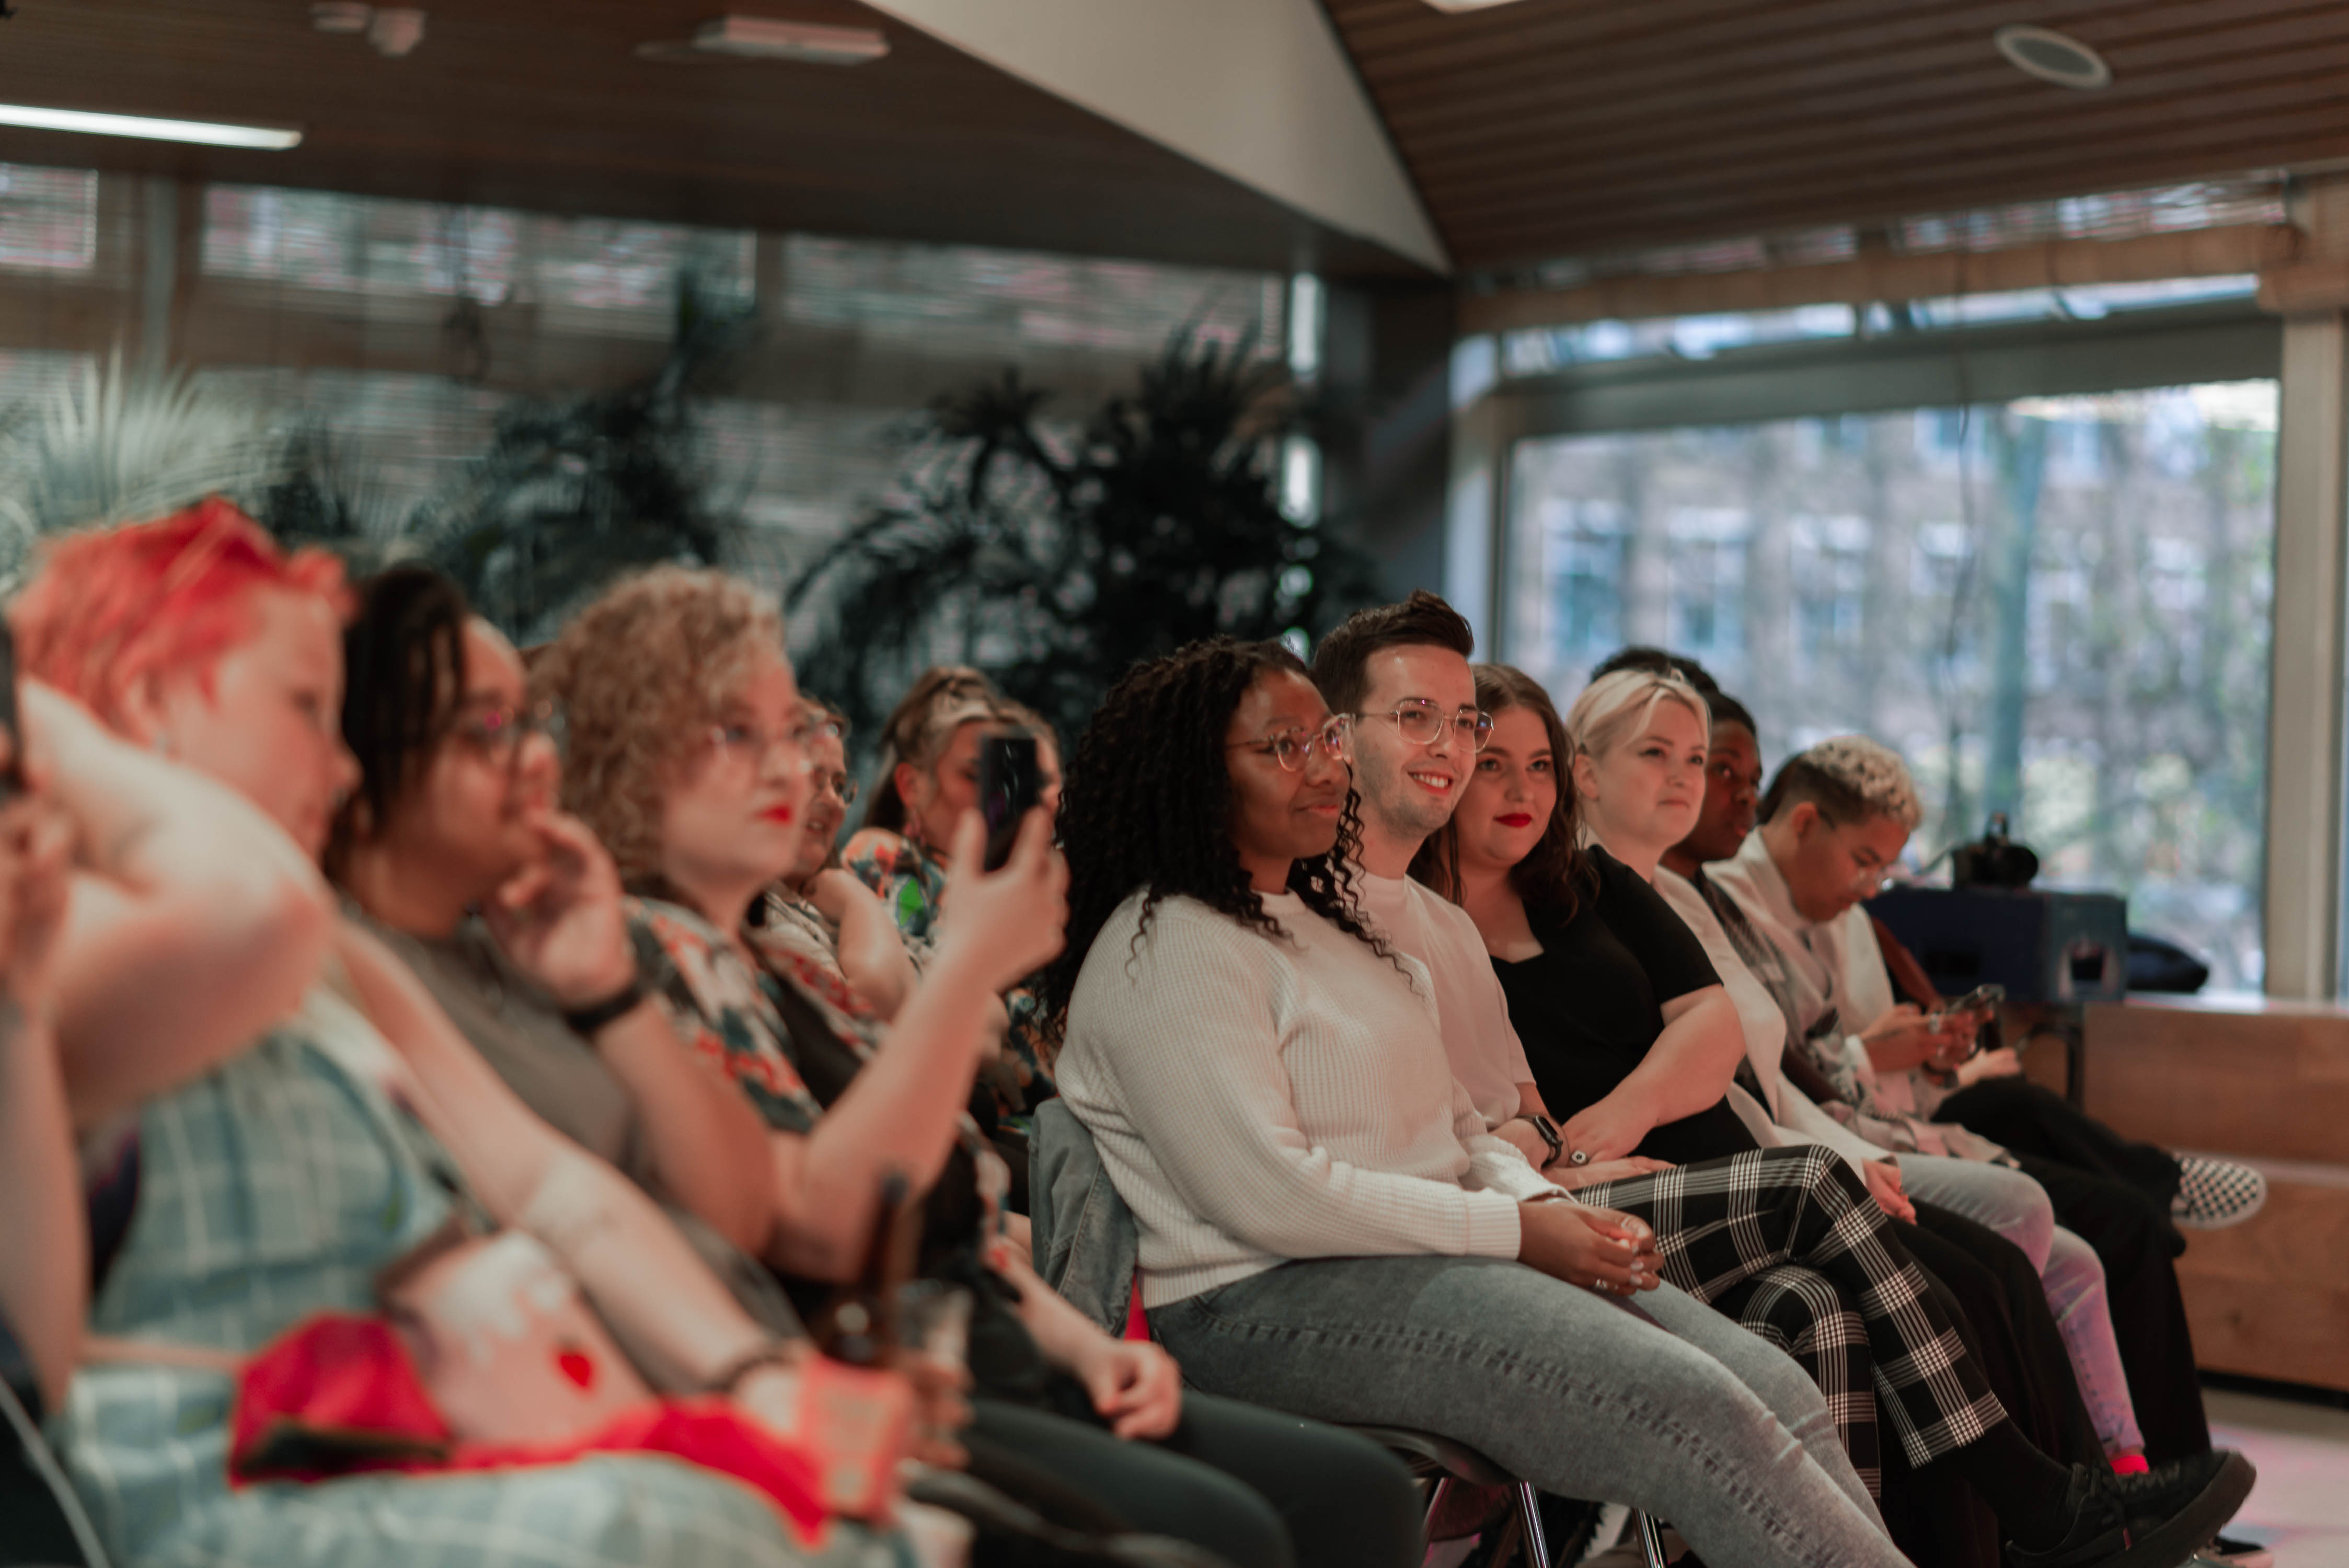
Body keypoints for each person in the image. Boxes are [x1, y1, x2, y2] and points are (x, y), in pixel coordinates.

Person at [19, 504, 918, 1568]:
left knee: (862, 1528)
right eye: (310, 708)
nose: (345, 765)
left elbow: (554, 1192)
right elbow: (252, 910)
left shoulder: (334, 969)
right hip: (248, 1497)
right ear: (145, 693)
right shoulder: (61, 934)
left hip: (398, 1455)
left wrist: (756, 1379)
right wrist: (52, 727)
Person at [536, 567, 1420, 1568]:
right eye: (740, 734)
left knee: (1359, 1493)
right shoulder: (645, 953)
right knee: (1237, 1533)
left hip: (987, 1342)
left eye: (790, 733)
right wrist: (964, 973)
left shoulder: (778, 956)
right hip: (882, 1383)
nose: (795, 774)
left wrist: (1090, 1347)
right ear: (634, 758)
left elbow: (954, 1205)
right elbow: (821, 1222)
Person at [1040, 633, 1943, 1568]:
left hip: (1421, 1258)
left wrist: (1545, 1208)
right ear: (1195, 773)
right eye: (1283, 747)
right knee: (1696, 1413)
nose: (1323, 767)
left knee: (1772, 1385)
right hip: (1254, 1302)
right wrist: (1518, 1233)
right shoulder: (1171, 943)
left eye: (1324, 740)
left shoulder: (1339, 931)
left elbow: (1463, 1131)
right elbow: (1270, 1196)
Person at [1594, 652, 2169, 1480]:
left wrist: (1909, 1080)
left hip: (1818, 1140)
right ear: (1587, 765)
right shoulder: (1677, 898)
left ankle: (2111, 1482)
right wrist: (1868, 1106)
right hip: (1758, 1163)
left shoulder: (1698, 902)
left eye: (1709, 765)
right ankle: (2060, 1501)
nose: (1718, 791)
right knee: (1993, 1246)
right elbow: (1786, 1071)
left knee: (2038, 1233)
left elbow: (1780, 1075)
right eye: (1670, 758)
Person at [1702, 735, 2227, 1470]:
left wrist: (1931, 1060)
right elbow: (1796, 1079)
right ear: (1801, 823)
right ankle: (2077, 1493)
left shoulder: (1839, 916)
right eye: (1863, 861)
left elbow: (1850, 1067)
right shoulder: (1722, 906)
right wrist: (1878, 1063)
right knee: (2045, 1212)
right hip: (1824, 1141)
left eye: (1885, 869)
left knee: (2069, 1225)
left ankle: (2130, 1476)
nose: (1870, 884)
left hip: (1875, 1119)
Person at [332, 565, 778, 1269]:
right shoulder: (344, 979)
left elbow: (743, 1216)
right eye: (488, 728)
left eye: (531, 721)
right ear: (356, 769)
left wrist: (610, 991)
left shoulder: (533, 950)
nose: (538, 758)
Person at [845, 667, 1061, 1112]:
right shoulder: (888, 858)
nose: (995, 793)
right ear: (911, 785)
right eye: (973, 774)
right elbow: (910, 992)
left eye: (1005, 776)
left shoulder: (1015, 887)